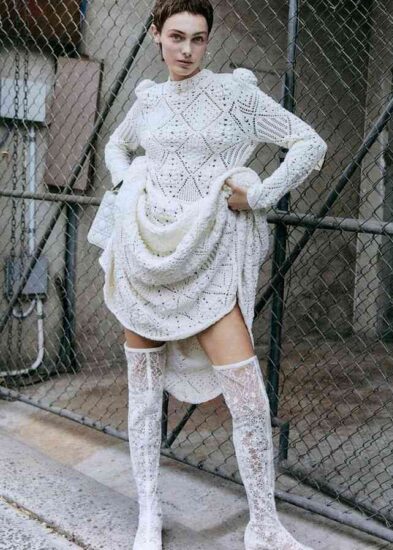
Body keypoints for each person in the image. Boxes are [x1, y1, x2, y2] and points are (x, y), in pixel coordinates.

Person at [99, 1, 327, 548]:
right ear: (156, 35)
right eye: (176, 36)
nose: (186, 50)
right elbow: (116, 145)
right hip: (145, 255)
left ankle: (264, 525)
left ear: (207, 41)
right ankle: (149, 515)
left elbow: (309, 144)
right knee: (143, 396)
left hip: (208, 259)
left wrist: (261, 194)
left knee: (248, 398)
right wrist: (127, 183)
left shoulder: (234, 95)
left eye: (198, 39)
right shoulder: (149, 102)